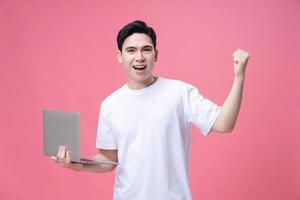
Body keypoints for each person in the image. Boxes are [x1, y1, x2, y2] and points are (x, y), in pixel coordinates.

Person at [51, 20, 250, 200]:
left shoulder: (180, 93)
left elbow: (225, 123)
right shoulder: (110, 105)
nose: (139, 57)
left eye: (146, 50)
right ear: (119, 56)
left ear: (156, 54)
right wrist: (78, 165)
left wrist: (239, 77)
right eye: (131, 51)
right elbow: (109, 160)